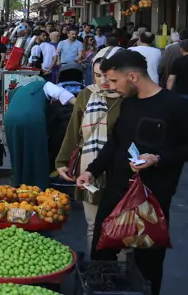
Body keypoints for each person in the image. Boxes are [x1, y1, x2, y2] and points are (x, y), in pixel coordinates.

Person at [76, 50, 188, 295]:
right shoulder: (128, 103)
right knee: (101, 253)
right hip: (116, 191)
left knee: (147, 266)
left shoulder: (175, 105)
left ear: (132, 77)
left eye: (114, 80)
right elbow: (116, 142)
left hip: (153, 200)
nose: (110, 85)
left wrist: (159, 158)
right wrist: (91, 170)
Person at [55, 47, 123, 253]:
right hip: (89, 171)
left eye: (107, 75)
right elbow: (74, 132)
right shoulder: (86, 95)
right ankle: (97, 273)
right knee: (94, 225)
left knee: (121, 227)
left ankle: (119, 275)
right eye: (97, 75)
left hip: (120, 171)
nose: (103, 80)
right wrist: (62, 161)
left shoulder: (128, 97)